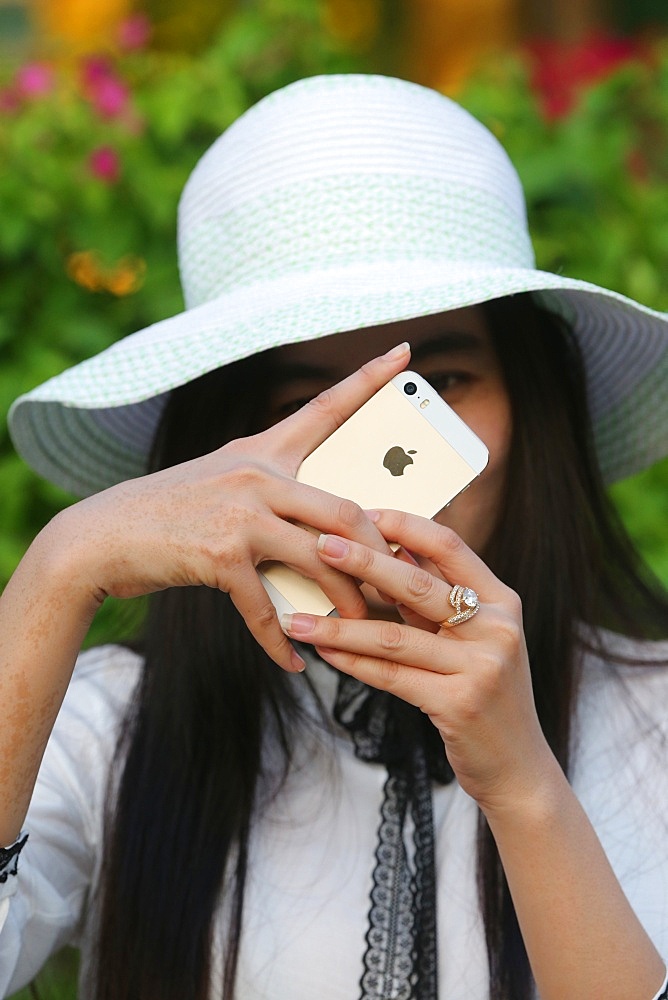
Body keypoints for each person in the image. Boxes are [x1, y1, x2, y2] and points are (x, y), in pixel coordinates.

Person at [1, 73, 667, 1000]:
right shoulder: (110, 726)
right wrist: (58, 567)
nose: (379, 467)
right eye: (304, 405)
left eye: (438, 387)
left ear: (532, 405)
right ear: (225, 451)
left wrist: (526, 791)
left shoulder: (654, 720)